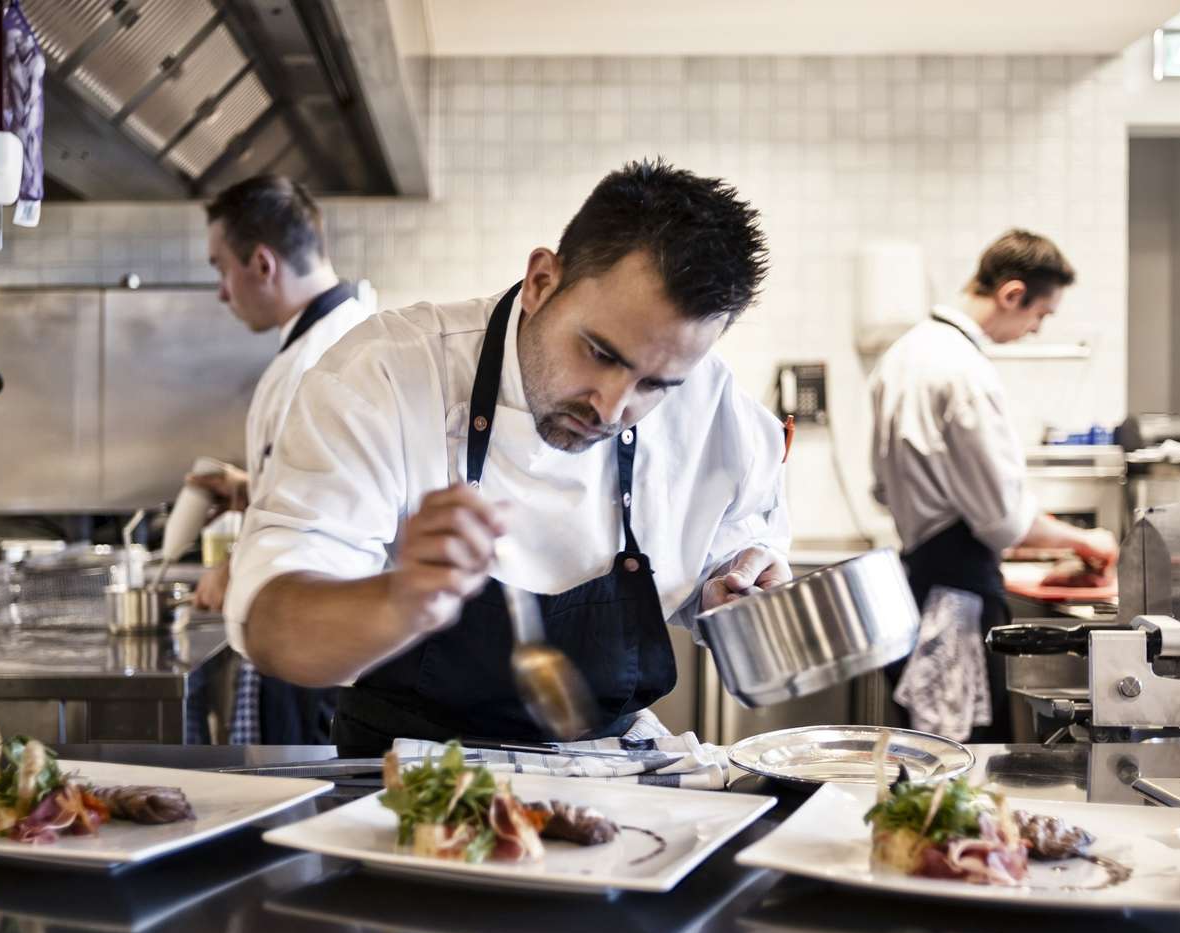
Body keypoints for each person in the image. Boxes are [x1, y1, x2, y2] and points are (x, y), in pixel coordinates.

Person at [225, 159, 791, 754]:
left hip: (614, 784)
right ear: (541, 281)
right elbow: (271, 622)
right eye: (600, 353)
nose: (611, 405)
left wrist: (728, 586)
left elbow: (733, 543)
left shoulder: (711, 402)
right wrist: (403, 600)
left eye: (656, 386)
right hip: (400, 784)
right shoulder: (388, 373)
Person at [869, 229, 1118, 743]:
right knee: (964, 769)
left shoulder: (902, 355)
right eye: (1039, 315)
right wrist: (1085, 540)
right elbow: (1003, 519)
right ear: (1011, 295)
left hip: (917, 584)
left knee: (922, 764)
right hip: (955, 599)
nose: (1034, 330)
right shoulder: (964, 371)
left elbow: (880, 488)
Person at [189, 174, 371, 743]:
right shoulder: (347, 335)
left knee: (298, 806)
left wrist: (235, 564)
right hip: (334, 635)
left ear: (263, 264)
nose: (222, 290)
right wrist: (256, 486)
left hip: (313, 637)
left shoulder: (317, 362)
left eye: (221, 267)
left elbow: (318, 526)